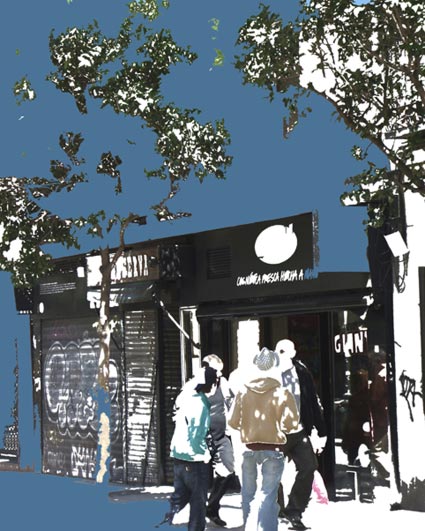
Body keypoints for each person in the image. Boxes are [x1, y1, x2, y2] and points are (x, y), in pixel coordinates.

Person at [229, 347, 299, 531]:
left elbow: (233, 422)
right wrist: (279, 426)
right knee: (268, 495)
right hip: (273, 449)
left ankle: (249, 527)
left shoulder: (243, 392)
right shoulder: (283, 393)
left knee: (248, 494)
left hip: (250, 448)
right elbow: (292, 424)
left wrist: (248, 425)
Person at [275, 339, 327, 531]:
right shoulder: (268, 373)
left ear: (293, 353)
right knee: (272, 471)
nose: (280, 355)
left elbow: (312, 400)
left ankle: (294, 510)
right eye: (278, 351)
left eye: (284, 351)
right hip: (276, 432)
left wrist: (321, 431)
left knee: (309, 466)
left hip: (298, 429)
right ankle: (277, 508)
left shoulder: (301, 372)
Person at [158, 365, 218, 531]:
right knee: (198, 503)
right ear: (209, 383)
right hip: (194, 459)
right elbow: (196, 433)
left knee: (179, 498)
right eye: (214, 382)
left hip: (178, 455)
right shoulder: (200, 404)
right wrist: (206, 455)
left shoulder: (186, 397)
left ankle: (156, 520)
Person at [201, 354, 236, 528]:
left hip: (221, 437)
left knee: (228, 470)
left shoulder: (224, 382)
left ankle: (212, 507)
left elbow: (232, 403)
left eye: (221, 371)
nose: (220, 374)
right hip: (201, 438)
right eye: (217, 371)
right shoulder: (195, 386)